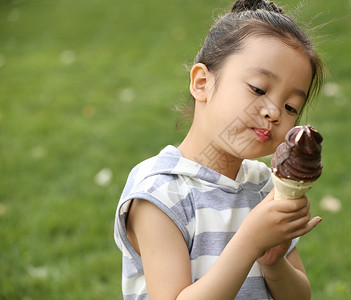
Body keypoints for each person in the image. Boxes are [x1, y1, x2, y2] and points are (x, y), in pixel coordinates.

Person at [114, 0, 325, 299]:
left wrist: (273, 263)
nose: (275, 112)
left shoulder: (264, 183)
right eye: (258, 89)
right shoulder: (160, 193)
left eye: (292, 106)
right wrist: (250, 242)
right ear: (202, 83)